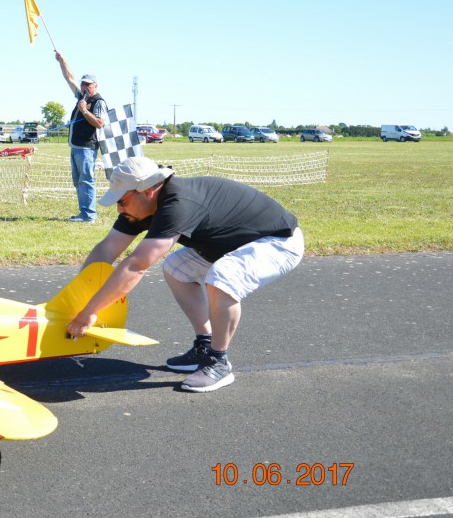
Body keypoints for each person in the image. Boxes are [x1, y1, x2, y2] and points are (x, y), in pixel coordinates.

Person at [65, 156, 305, 393]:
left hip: (279, 242)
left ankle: (219, 362)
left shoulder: (178, 204)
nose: (119, 208)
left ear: (147, 192)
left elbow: (136, 264)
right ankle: (205, 344)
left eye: (123, 201)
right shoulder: (139, 206)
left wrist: (89, 312)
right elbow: (107, 249)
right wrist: (76, 297)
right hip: (228, 244)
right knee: (176, 268)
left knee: (223, 277)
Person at [55, 51, 109, 223]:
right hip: (76, 146)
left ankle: (89, 214)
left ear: (95, 86)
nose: (85, 87)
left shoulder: (98, 102)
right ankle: (83, 212)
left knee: (86, 180)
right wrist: (62, 61)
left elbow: (100, 123)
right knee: (78, 181)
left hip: (87, 147)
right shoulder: (81, 97)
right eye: (83, 84)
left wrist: (85, 110)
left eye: (88, 85)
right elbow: (69, 78)